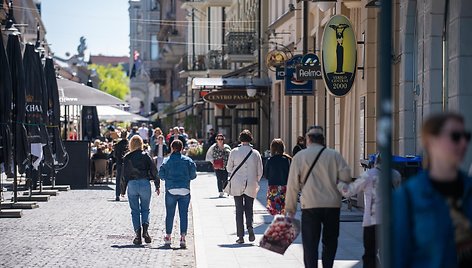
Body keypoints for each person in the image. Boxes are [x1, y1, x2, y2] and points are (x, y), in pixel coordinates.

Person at [393, 113, 472, 267]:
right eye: (455, 136)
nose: (463, 143)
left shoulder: (469, 189)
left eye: (466, 136)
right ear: (431, 141)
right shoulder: (408, 197)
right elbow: (399, 257)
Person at [285, 126, 351, 268]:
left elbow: (292, 185)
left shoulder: (299, 157)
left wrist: (290, 207)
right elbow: (346, 176)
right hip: (332, 205)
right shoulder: (334, 155)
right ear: (323, 140)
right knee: (330, 241)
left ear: (308, 139)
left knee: (310, 244)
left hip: (310, 205)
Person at [338, 153, 401, 268]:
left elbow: (348, 192)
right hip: (391, 221)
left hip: (372, 221)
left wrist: (339, 183)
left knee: (370, 255)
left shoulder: (368, 175)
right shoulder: (396, 175)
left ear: (375, 162)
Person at [121, 135, 160, 245]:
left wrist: (122, 190)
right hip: (144, 183)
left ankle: (138, 235)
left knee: (135, 211)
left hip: (132, 184)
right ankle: (146, 232)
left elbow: (124, 175)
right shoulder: (146, 155)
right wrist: (157, 185)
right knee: (145, 209)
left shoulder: (127, 157)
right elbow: (154, 170)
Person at [226, 130, 263, 244]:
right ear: (250, 139)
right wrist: (255, 180)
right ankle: (250, 227)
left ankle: (240, 236)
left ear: (240, 139)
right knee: (249, 208)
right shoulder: (255, 153)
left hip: (237, 184)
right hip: (251, 184)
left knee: (239, 210)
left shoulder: (234, 151)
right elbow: (260, 171)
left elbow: (228, 168)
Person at [159, 140, 197, 249]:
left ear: (172, 148)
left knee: (170, 214)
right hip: (184, 189)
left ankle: (168, 236)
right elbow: (193, 175)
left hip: (171, 189)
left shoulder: (167, 161)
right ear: (182, 148)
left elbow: (161, 174)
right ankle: (183, 237)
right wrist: (186, 179)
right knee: (183, 214)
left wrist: (169, 179)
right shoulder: (188, 160)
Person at [265, 138, 291, 215]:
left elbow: (266, 175)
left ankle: (278, 223)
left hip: (273, 187)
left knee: (274, 210)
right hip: (284, 187)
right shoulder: (286, 159)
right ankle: (283, 223)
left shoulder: (270, 160)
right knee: (284, 208)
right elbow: (289, 174)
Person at [205, 133, 232, 198]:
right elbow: (209, 155)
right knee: (219, 178)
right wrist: (213, 162)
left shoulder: (227, 147)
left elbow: (231, 156)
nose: (220, 140)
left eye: (221, 139)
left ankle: (225, 189)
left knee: (225, 178)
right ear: (216, 139)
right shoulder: (213, 147)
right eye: (219, 139)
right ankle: (220, 191)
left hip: (226, 165)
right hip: (217, 165)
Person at [113, 131, 129, 201]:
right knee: (128, 179)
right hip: (128, 164)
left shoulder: (117, 144)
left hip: (119, 163)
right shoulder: (129, 144)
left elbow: (114, 155)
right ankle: (127, 194)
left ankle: (117, 195)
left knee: (118, 179)